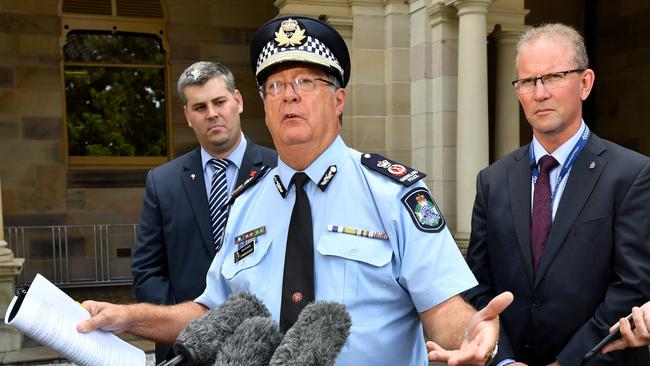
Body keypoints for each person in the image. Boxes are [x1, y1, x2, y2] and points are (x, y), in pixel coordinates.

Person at [78, 16, 513, 366]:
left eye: (307, 82)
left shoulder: (393, 195)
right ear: (263, 107)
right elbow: (211, 312)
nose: (290, 96)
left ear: (338, 100)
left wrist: (476, 338)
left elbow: (442, 309)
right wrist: (129, 317)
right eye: (276, 86)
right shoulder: (246, 203)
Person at [463, 23, 650, 366]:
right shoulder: (492, 180)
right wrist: (502, 359)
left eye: (553, 76)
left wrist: (567, 362)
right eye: (527, 81)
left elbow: (633, 287)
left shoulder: (632, 174)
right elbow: (477, 286)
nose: (540, 93)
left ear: (585, 83)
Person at [130, 61, 277, 362]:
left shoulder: (279, 170)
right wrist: (187, 327)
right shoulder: (163, 182)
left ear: (238, 101)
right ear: (187, 116)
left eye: (219, 102)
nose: (211, 114)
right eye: (199, 107)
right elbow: (147, 272)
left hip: (265, 344)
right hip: (186, 349)